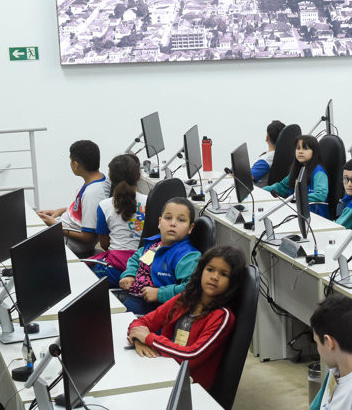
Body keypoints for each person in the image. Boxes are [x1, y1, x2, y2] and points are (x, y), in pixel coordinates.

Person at [126, 245, 243, 391]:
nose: (214, 277)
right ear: (201, 271)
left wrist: (149, 338)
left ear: (232, 282)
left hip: (189, 387)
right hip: (164, 370)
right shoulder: (184, 299)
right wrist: (138, 340)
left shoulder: (223, 317)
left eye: (224, 274)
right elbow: (141, 322)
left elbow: (191, 356)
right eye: (210, 269)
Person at [117, 197, 201, 315]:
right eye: (168, 218)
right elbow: (136, 259)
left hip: (155, 313)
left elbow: (191, 288)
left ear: (190, 228)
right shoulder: (155, 246)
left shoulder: (188, 256)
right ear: (160, 222)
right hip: (131, 301)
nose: (173, 223)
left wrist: (159, 294)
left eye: (181, 220)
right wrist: (130, 275)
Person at [37, 140, 109, 259]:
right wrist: (60, 211)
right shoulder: (98, 180)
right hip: (64, 227)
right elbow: (82, 209)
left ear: (76, 164)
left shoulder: (92, 194)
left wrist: (55, 226)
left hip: (71, 245)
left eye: (71, 161)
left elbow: (88, 237)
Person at [88, 153, 147, 286]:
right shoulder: (151, 201)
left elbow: (104, 244)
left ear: (111, 178)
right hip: (142, 268)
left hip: (113, 270)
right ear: (138, 176)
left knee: (82, 274)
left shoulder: (104, 206)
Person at [267, 134, 330, 217]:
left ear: (314, 152)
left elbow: (321, 194)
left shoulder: (319, 172)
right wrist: (259, 190)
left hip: (314, 215)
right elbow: (281, 187)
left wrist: (296, 198)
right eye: (298, 148)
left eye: (305, 148)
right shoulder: (298, 169)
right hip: (296, 211)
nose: (300, 151)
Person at [251, 120, 285, 186]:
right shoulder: (285, 153)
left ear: (267, 137)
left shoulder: (266, 160)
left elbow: (246, 178)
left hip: (260, 191)